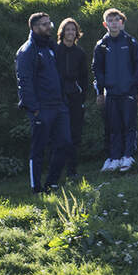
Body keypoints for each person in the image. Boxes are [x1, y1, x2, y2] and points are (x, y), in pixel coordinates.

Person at [15, 12, 71, 193]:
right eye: (44, 24)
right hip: (41, 108)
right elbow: (24, 81)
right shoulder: (27, 51)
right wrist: (34, 108)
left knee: (64, 143)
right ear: (34, 27)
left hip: (59, 105)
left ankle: (52, 182)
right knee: (39, 148)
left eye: (49, 23)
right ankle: (36, 187)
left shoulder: (50, 46)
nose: (49, 27)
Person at [91, 8, 138, 173]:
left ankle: (128, 156)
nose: (114, 23)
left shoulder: (130, 42)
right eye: (110, 20)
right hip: (111, 93)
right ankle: (114, 158)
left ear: (122, 23)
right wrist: (100, 91)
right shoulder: (101, 45)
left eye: (117, 20)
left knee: (129, 125)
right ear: (105, 24)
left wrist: (136, 89)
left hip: (128, 92)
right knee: (113, 127)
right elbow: (97, 69)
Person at [55, 17, 88, 180]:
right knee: (59, 135)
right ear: (62, 32)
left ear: (76, 33)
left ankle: (72, 169)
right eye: (67, 29)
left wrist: (82, 98)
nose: (70, 32)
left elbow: (84, 77)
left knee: (75, 134)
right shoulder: (54, 50)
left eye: (73, 29)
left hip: (75, 96)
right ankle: (57, 169)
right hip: (58, 97)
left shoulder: (79, 52)